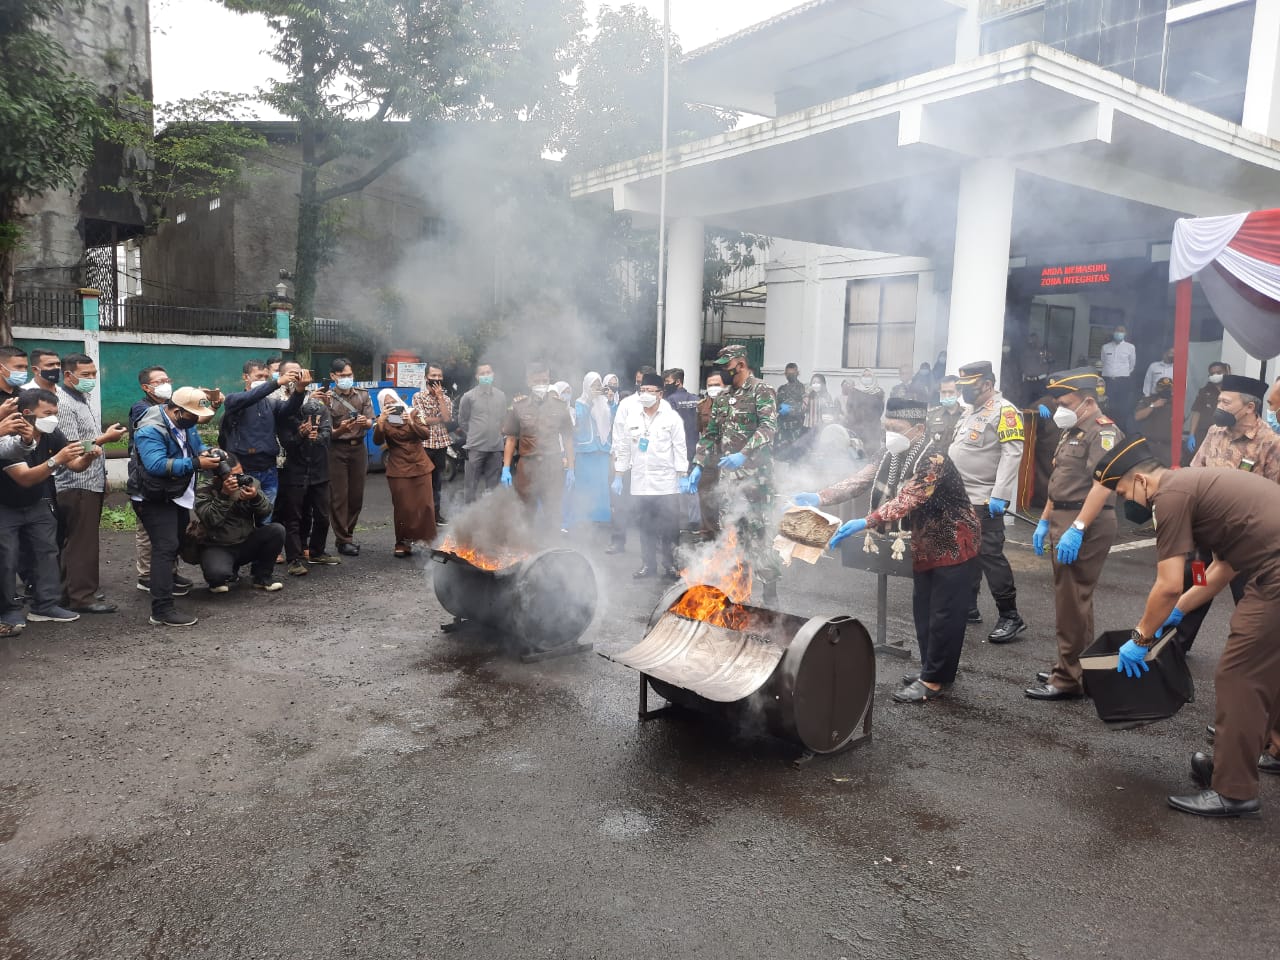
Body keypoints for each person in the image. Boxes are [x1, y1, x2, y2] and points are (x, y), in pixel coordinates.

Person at [1094, 437, 1280, 818]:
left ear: (1142, 480)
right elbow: (1221, 568)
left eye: (1124, 490)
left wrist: (1141, 637)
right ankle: (1257, 754)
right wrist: (1179, 611)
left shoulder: (1170, 497)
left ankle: (1233, 790)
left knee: (1239, 675)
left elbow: (1167, 583)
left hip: (1274, 576)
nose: (1128, 500)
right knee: (1269, 667)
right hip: (1268, 567)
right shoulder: (1194, 484)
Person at [824, 405, 979, 703]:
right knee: (923, 609)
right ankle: (932, 669)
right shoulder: (890, 455)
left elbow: (909, 499)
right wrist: (820, 496)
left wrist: (866, 521)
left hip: (953, 541)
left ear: (918, 429)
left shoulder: (933, 458)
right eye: (886, 427)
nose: (889, 434)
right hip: (924, 542)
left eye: (895, 427)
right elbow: (859, 480)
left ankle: (933, 681)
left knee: (945, 613)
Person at [1024, 369, 1122, 701]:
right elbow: (1060, 481)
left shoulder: (1103, 433)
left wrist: (1078, 527)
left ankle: (1067, 678)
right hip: (1063, 515)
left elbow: (1103, 483)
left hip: (1086, 520)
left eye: (1066, 402)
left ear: (1088, 401)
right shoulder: (1072, 431)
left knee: (1071, 602)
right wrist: (1045, 520)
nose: (1061, 408)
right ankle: (1078, 668)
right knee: (1075, 600)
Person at [1174, 373, 1280, 652]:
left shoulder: (1269, 442)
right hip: (1206, 537)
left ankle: (1255, 654)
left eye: (1225, 401)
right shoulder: (1213, 432)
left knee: (1249, 598)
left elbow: (1274, 495)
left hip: (1245, 542)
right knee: (1195, 584)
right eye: (1218, 399)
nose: (1218, 405)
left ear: (1249, 407)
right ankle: (1174, 647)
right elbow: (1195, 473)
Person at [684, 344, 781, 603]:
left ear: (740, 363)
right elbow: (710, 435)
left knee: (760, 539)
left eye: (727, 366)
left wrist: (744, 454)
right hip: (729, 485)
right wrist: (698, 464)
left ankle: (770, 599)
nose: (724, 371)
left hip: (757, 483)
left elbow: (768, 428)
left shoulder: (763, 391)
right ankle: (739, 598)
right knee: (733, 539)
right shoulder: (724, 398)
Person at [0, 389, 101, 631]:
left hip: (37, 503)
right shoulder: (9, 437)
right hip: (6, 505)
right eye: (47, 413)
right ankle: (8, 611)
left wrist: (87, 457)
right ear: (27, 413)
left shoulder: (52, 433)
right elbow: (24, 478)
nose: (53, 418)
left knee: (46, 552)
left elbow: (74, 464)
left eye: (55, 413)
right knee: (7, 558)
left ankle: (46, 605)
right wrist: (58, 459)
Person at [129, 386, 220, 627]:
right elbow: (156, 465)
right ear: (177, 411)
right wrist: (196, 463)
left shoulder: (184, 425)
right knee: (165, 548)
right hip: (152, 497)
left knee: (175, 544)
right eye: (192, 416)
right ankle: (161, 610)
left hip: (175, 494)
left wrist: (208, 453)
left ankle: (165, 594)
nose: (196, 421)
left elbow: (197, 446)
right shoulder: (150, 429)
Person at [948, 360, 1026, 640]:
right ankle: (969, 607)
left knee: (990, 556)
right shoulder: (971, 411)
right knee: (965, 552)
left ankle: (1010, 616)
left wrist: (1000, 495)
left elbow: (1012, 453)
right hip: (961, 496)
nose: (964, 392)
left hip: (984, 498)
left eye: (969, 387)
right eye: (962, 387)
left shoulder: (1005, 412)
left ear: (988, 385)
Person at [53, 354, 126, 613]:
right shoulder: (62, 403)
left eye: (94, 373)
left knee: (75, 540)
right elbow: (72, 447)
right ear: (68, 375)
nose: (92, 379)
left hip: (90, 479)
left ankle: (68, 592)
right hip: (76, 481)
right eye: (86, 375)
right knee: (82, 542)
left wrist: (102, 475)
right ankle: (82, 597)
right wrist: (106, 438)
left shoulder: (81, 398)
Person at [614, 373, 687, 578]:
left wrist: (682, 475)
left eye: (650, 391)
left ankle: (670, 564)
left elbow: (680, 448)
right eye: (642, 390)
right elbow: (624, 448)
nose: (645, 394)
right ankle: (648, 565)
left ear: (660, 394)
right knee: (645, 526)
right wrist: (619, 475)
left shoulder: (671, 418)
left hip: (666, 483)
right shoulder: (633, 418)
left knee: (670, 527)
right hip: (641, 483)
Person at [130, 366, 191, 594]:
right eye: (160, 381)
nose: (166, 384)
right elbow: (154, 461)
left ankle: (168, 575)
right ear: (146, 387)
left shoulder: (174, 411)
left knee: (171, 536)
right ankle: (148, 577)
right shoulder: (143, 410)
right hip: (148, 482)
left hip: (172, 483)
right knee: (152, 536)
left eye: (168, 379)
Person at [220, 360, 305, 513]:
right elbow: (251, 396)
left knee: (266, 514)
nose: (263, 380)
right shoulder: (234, 400)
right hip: (244, 469)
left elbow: (289, 409)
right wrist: (276, 382)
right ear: (245, 377)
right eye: (259, 376)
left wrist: (299, 390)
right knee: (243, 514)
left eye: (266, 377)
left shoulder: (271, 404)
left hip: (269, 469)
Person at [275, 363, 337, 575]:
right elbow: (287, 443)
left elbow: (328, 433)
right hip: (295, 472)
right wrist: (301, 436)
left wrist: (316, 436)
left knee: (322, 515)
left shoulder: (318, 406)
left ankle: (317, 551)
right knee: (293, 517)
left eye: (299, 373)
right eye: (291, 375)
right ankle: (294, 559)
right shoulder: (281, 409)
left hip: (319, 471)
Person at [192, 452, 285, 593]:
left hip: (245, 542)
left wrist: (255, 498)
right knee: (218, 576)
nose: (239, 479)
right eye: (233, 476)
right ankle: (222, 575)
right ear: (217, 478)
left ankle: (262, 577)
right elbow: (211, 520)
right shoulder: (204, 490)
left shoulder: (249, 482)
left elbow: (266, 512)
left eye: (240, 473)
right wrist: (224, 495)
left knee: (276, 530)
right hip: (219, 545)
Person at [502, 361, 575, 534]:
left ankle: (551, 552)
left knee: (553, 511)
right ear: (529, 382)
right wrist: (505, 468)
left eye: (545, 380)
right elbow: (511, 439)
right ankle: (525, 552)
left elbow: (568, 438)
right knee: (525, 511)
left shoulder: (560, 406)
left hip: (552, 466)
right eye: (537, 381)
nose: (541, 385)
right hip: (527, 466)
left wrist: (571, 468)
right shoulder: (519, 406)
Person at [373, 388, 437, 556]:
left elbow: (425, 434)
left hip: (420, 465)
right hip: (398, 467)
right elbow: (377, 441)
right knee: (403, 507)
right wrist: (380, 424)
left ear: (397, 400)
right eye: (386, 404)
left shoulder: (413, 412)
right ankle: (403, 542)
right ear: (382, 406)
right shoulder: (383, 420)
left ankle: (428, 540)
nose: (390, 405)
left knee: (426, 506)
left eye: (392, 401)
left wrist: (411, 422)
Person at [323, 358, 373, 557]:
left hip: (358, 449)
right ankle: (344, 540)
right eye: (343, 375)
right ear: (334, 376)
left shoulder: (362, 396)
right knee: (339, 497)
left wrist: (364, 421)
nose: (347, 379)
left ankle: (348, 533)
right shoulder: (327, 399)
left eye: (349, 375)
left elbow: (371, 422)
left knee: (356, 497)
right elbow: (326, 432)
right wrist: (340, 429)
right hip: (337, 450)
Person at [456, 361, 506, 502]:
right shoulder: (468, 397)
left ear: (493, 375)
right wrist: (474, 434)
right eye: (482, 373)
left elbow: (502, 419)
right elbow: (462, 420)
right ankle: (470, 518)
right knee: (471, 487)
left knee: (493, 488)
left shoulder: (501, 396)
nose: (485, 376)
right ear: (477, 377)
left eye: (488, 372)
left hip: (495, 448)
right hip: (475, 448)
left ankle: (489, 519)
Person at [412, 363, 453, 525]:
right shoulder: (418, 397)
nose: (436, 379)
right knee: (423, 482)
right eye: (433, 376)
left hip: (441, 445)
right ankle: (423, 515)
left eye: (439, 376)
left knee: (437, 482)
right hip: (424, 445)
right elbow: (421, 420)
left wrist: (440, 397)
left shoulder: (446, 398)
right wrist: (438, 419)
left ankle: (436, 514)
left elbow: (448, 418)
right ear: (426, 377)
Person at [572, 373, 613, 527]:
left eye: (598, 385)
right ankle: (583, 515)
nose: (596, 388)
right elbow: (580, 421)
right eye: (593, 385)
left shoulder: (604, 403)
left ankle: (601, 517)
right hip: (585, 449)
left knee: (601, 484)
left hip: (602, 449)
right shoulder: (580, 402)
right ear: (586, 386)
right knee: (585, 483)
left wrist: (609, 400)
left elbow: (613, 419)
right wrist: (589, 401)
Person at [696, 372, 725, 539]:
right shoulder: (701, 406)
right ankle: (707, 532)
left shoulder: (732, 404)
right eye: (710, 385)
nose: (713, 388)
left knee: (725, 496)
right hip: (708, 457)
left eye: (717, 384)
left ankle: (725, 533)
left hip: (727, 457)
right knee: (705, 495)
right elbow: (698, 430)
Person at [1186, 361, 1230, 454]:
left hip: (1226, 434)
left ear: (1226, 373)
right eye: (1212, 373)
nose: (1215, 375)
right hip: (1204, 433)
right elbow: (1196, 412)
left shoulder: (1233, 391)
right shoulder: (1204, 391)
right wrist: (1191, 435)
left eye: (1219, 372)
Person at [1100, 324, 1136, 431]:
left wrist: (1122, 374)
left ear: (1125, 334)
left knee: (1122, 407)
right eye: (1117, 330)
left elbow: (1132, 365)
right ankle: (1105, 428)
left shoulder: (1130, 347)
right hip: (1108, 381)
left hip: (1122, 381)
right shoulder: (1105, 347)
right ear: (1113, 332)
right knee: (1106, 405)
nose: (1119, 333)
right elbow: (1103, 362)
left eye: (1121, 331)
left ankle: (1120, 429)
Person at [1133, 376, 1174, 466]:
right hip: (1149, 445)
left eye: (1168, 388)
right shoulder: (1148, 400)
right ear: (1157, 388)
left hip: (1167, 447)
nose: (1165, 390)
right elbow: (1137, 416)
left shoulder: (1175, 403)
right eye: (1162, 387)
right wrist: (1153, 406)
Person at [845, 368, 885, 454]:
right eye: (864, 375)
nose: (866, 378)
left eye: (869, 376)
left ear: (873, 377)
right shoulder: (854, 391)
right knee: (856, 453)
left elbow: (880, 409)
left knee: (872, 453)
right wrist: (855, 421)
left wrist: (870, 421)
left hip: (873, 429)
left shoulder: (879, 392)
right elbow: (849, 408)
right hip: (856, 428)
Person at [776, 362, 807, 458]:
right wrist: (780, 408)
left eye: (793, 373)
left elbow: (805, 406)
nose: (790, 375)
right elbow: (775, 404)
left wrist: (792, 410)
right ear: (785, 374)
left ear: (797, 373)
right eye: (788, 373)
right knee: (782, 452)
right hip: (782, 426)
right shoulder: (781, 388)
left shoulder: (803, 388)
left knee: (795, 452)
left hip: (796, 426)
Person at [926, 375, 962, 448]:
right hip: (935, 458)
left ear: (959, 393)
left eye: (951, 392)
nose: (947, 395)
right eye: (943, 392)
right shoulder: (931, 415)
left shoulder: (967, 415)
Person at [1019, 333, 1049, 406]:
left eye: (1035, 339)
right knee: (1024, 404)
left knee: (1041, 404)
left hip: (1040, 382)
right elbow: (1022, 365)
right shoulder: (1025, 352)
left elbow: (1047, 364)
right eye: (1031, 339)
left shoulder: (1043, 352)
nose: (1032, 341)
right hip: (1028, 382)